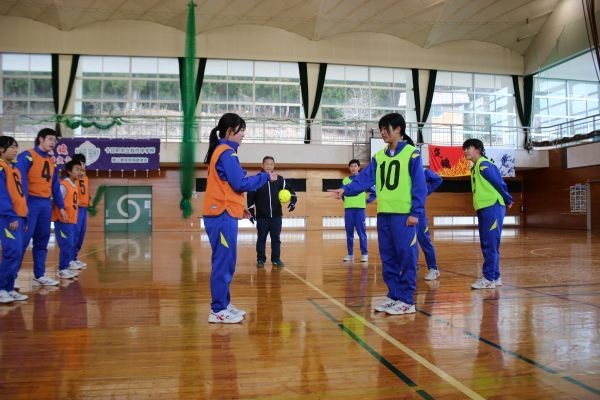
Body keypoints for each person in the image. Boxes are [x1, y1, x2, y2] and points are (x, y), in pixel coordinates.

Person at [330, 113, 426, 315]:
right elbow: (364, 179)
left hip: (404, 215)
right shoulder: (379, 157)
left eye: (385, 129)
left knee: (406, 256)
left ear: (398, 129)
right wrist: (345, 190)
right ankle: (394, 295)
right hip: (384, 215)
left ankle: (407, 300)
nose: (382, 133)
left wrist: (415, 212)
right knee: (388, 257)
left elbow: (420, 185)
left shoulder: (412, 154)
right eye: (381, 129)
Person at [203, 113, 277, 324]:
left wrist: (238, 208)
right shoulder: (227, 153)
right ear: (230, 131)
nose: (244, 134)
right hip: (221, 216)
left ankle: (224, 305)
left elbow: (227, 187)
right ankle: (218, 309)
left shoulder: (223, 151)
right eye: (241, 129)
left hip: (224, 213)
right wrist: (265, 176)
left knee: (227, 261)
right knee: (223, 263)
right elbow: (241, 183)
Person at [16, 128, 66, 286]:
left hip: (45, 204)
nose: (53, 142)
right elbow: (19, 181)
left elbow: (55, 185)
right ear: (41, 139)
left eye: (55, 140)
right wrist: (22, 202)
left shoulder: (51, 161)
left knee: (42, 240)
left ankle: (39, 275)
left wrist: (61, 206)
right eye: (50, 139)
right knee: (22, 241)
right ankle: (12, 277)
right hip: (30, 202)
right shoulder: (27, 156)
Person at [462, 138, 513, 289]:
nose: (465, 151)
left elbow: (499, 182)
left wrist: (508, 199)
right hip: (485, 207)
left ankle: (489, 278)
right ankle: (495, 277)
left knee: (489, 244)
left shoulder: (484, 164)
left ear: (478, 149)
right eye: (464, 149)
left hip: (492, 206)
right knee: (490, 244)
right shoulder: (476, 167)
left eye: (468, 148)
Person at [247, 156, 297, 269]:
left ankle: (276, 259)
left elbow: (290, 189)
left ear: (274, 166)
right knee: (261, 239)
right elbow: (250, 197)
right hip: (262, 217)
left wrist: (293, 202)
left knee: (276, 239)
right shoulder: (257, 179)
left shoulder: (279, 179)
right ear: (262, 165)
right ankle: (260, 259)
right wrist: (251, 212)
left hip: (276, 216)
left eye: (271, 164)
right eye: (267, 164)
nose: (269, 166)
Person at [0, 137, 29, 303]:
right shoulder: (1, 168)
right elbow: (1, 194)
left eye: (16, 147)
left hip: (19, 216)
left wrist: (25, 216)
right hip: (7, 217)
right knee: (12, 252)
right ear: (1, 149)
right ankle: (1, 289)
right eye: (11, 147)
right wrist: (11, 215)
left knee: (17, 253)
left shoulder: (14, 169)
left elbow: (20, 195)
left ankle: (9, 288)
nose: (15, 150)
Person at [52, 160, 84, 280]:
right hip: (62, 221)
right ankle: (62, 270)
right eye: (77, 169)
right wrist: (61, 211)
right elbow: (56, 199)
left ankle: (65, 267)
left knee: (70, 245)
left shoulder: (73, 185)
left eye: (81, 170)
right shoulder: (64, 185)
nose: (80, 172)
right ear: (69, 171)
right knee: (66, 245)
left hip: (70, 221)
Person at [341, 159, 375, 263]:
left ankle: (364, 254)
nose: (353, 168)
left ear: (359, 167)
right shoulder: (345, 180)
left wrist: (368, 200)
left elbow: (374, 192)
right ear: (349, 168)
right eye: (351, 166)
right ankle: (350, 254)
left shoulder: (363, 180)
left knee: (361, 233)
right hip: (348, 210)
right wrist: (347, 201)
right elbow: (342, 193)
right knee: (349, 233)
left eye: (355, 166)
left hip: (360, 210)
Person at [419, 168, 443, 280]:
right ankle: (411, 266)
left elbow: (438, 179)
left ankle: (433, 269)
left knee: (424, 240)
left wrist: (426, 191)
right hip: (404, 211)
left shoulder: (423, 170)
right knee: (407, 242)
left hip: (418, 212)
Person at [70, 153, 89, 270]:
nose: (82, 166)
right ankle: (70, 259)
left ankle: (74, 257)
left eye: (83, 164)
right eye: (80, 164)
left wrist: (89, 199)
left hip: (84, 208)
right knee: (74, 234)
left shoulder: (85, 177)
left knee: (81, 234)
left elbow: (85, 191)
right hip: (75, 208)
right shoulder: (72, 178)